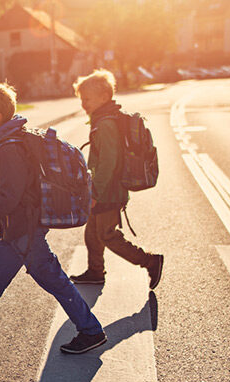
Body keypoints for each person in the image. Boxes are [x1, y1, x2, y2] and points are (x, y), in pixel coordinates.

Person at [0, 82, 107, 355]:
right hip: (17, 229)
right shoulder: (6, 142)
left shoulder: (9, 149)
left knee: (54, 280)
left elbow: (9, 198)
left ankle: (91, 331)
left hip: (24, 228)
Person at [69, 69, 164, 289]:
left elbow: (108, 163)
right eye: (82, 99)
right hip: (105, 188)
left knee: (108, 235)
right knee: (92, 233)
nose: (83, 104)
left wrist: (96, 193)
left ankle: (150, 261)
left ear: (104, 97)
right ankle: (95, 271)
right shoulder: (104, 119)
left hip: (109, 191)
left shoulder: (105, 125)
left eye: (87, 99)